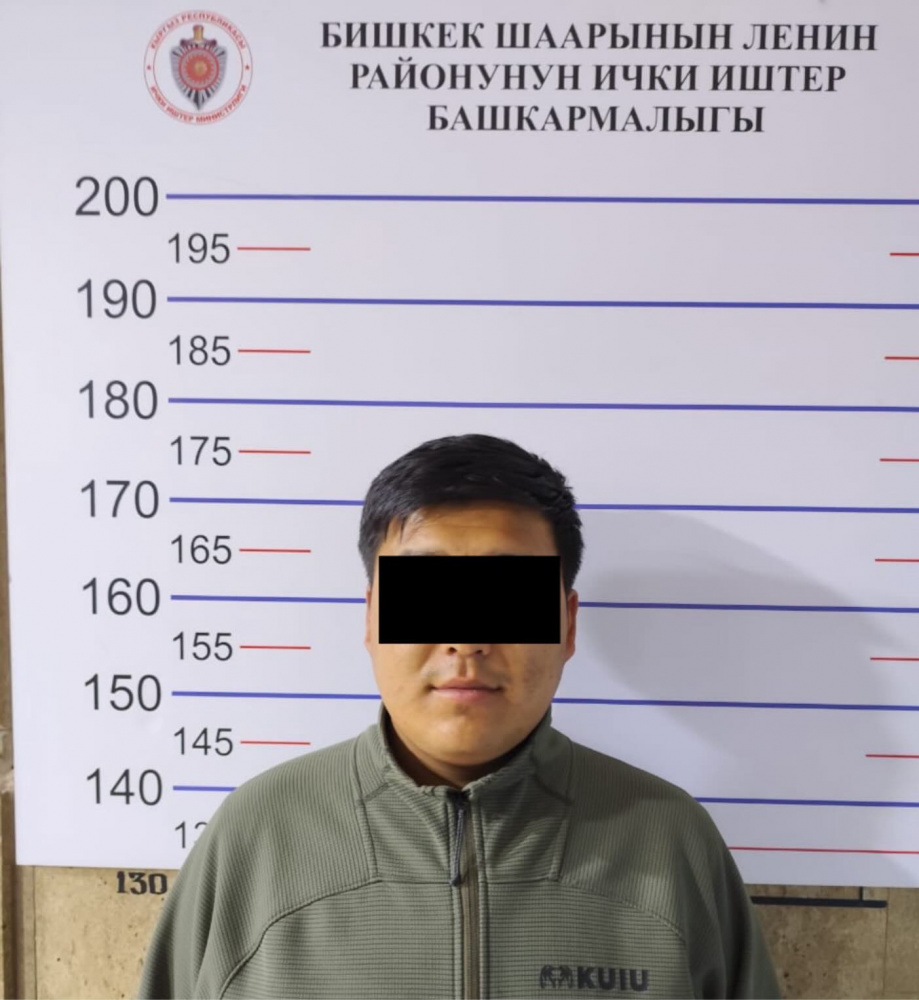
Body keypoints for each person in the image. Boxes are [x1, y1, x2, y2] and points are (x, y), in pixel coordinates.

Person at [137, 433, 781, 999]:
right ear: (372, 619)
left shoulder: (671, 844)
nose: (467, 640)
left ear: (566, 624)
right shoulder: (256, 839)